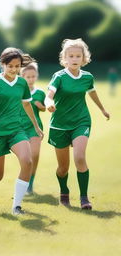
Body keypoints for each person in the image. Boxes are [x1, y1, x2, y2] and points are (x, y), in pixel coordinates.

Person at [0, 47, 44, 215]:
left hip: (16, 131)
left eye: (17, 66)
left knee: (27, 161)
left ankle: (16, 206)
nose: (14, 69)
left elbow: (27, 105)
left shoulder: (22, 83)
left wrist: (36, 126)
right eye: (10, 66)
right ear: (2, 65)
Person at [44, 38, 110, 210]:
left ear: (84, 58)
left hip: (81, 121)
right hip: (59, 125)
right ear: (65, 58)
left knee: (80, 158)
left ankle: (84, 197)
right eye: (71, 56)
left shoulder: (87, 77)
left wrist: (102, 109)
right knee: (63, 168)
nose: (74, 59)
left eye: (78, 56)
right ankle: (64, 190)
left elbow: (92, 93)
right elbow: (49, 95)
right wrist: (49, 103)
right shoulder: (58, 76)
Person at [20, 62, 46, 195]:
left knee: (34, 155)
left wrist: (40, 106)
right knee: (26, 158)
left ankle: (30, 183)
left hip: (35, 128)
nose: (31, 79)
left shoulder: (40, 93)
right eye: (28, 77)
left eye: (33, 76)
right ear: (22, 76)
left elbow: (46, 108)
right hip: (19, 128)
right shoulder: (18, 91)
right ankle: (23, 183)